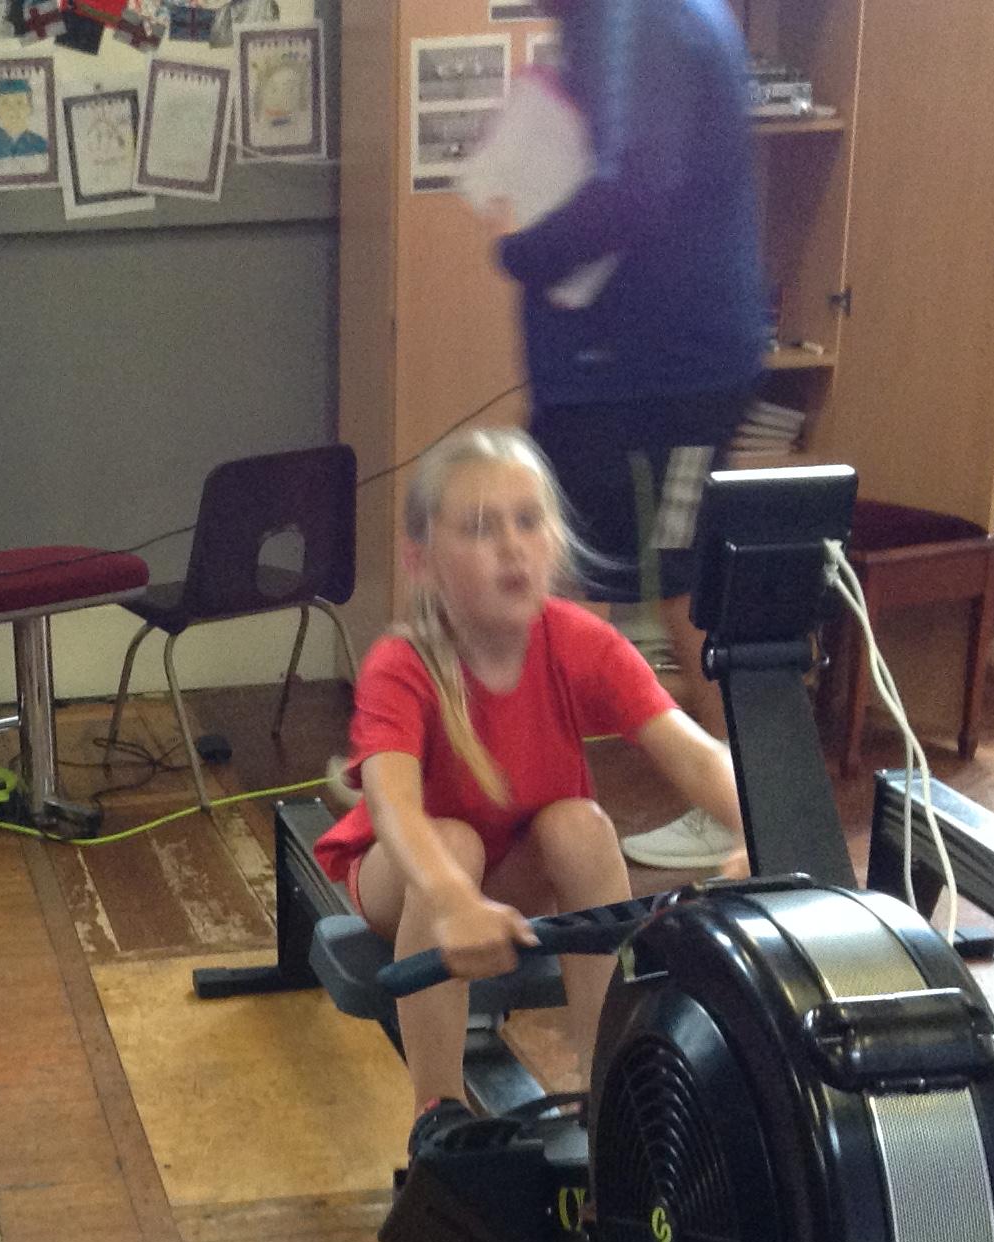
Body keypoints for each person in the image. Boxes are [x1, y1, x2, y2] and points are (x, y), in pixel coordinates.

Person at [313, 428, 744, 1154]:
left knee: (582, 825)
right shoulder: (402, 662)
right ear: (422, 560)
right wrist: (452, 899)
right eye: (481, 529)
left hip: (516, 872)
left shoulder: (581, 642)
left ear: (554, 541)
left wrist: (758, 828)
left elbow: (695, 755)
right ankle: (437, 1110)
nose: (512, 546)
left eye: (528, 521)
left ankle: (611, 1091)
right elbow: (394, 808)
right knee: (452, 844)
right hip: (411, 879)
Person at [484, 0, 766, 874]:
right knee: (566, 573)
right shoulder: (631, 17)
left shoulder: (638, 14)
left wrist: (523, 252)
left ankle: (751, 814)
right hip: (616, 370)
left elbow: (635, 190)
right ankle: (520, 791)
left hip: (661, 369)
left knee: (680, 588)